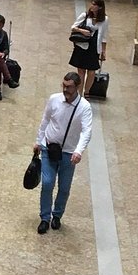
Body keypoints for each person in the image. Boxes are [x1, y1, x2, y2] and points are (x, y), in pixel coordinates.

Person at [33, 72, 93, 234]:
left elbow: (86, 131)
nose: (65, 89)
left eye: (69, 87)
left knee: (64, 187)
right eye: (64, 86)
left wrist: (79, 151)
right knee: (47, 183)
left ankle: (57, 215)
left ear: (77, 87)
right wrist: (39, 141)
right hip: (49, 148)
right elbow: (45, 120)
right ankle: (45, 217)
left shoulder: (84, 108)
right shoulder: (54, 99)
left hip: (68, 154)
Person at [68, 0, 108, 97]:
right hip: (82, 46)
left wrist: (103, 51)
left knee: (92, 71)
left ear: (100, 7)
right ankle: (79, 94)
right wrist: (82, 31)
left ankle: (87, 92)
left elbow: (104, 36)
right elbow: (73, 27)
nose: (92, 6)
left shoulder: (105, 19)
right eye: (92, 4)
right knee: (81, 71)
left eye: (94, 5)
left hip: (94, 47)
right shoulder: (85, 16)